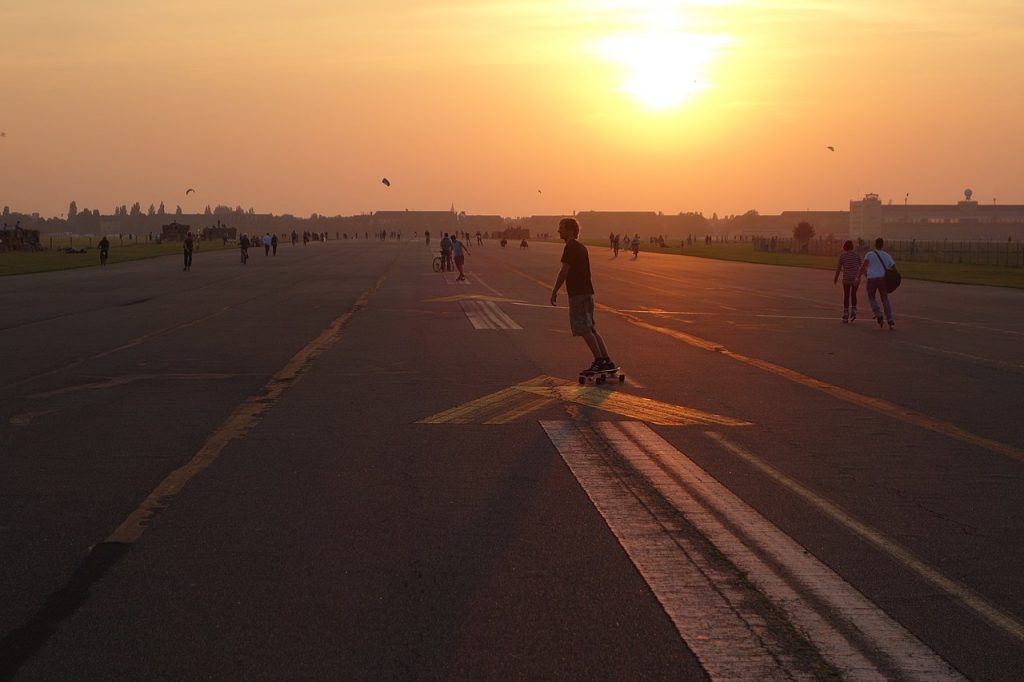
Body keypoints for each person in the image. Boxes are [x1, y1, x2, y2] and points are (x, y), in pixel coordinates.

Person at [550, 217, 615, 375]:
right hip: (587, 291)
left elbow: (564, 271)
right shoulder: (581, 247)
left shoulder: (571, 247)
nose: (559, 230)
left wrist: (555, 290)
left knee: (584, 329)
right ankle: (607, 360)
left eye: (562, 228)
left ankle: (599, 361)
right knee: (591, 328)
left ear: (570, 230)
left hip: (578, 293)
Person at [859, 237, 896, 329]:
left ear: (875, 245)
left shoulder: (869, 254)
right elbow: (894, 268)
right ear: (882, 245)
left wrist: (858, 277)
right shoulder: (887, 255)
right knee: (885, 299)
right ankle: (890, 319)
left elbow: (863, 267)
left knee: (871, 297)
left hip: (871, 279)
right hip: (882, 279)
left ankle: (878, 313)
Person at [833, 240, 861, 323]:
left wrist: (836, 278)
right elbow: (862, 266)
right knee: (853, 294)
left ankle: (846, 313)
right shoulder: (857, 255)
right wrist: (867, 275)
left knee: (846, 295)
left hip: (846, 278)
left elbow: (838, 269)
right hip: (855, 278)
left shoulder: (842, 256)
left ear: (844, 247)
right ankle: (854, 310)